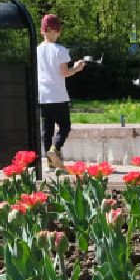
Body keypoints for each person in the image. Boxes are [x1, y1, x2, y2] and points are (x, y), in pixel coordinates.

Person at [36, 13, 86, 169]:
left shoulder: (37, 50)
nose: (59, 34)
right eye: (58, 30)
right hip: (58, 95)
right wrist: (77, 68)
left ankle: (50, 162)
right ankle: (55, 149)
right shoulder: (60, 50)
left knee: (47, 129)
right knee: (65, 126)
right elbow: (64, 72)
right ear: (51, 30)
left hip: (43, 96)